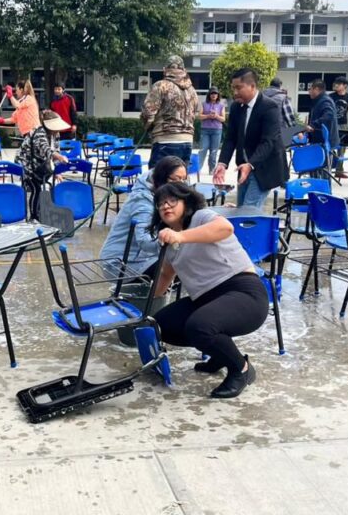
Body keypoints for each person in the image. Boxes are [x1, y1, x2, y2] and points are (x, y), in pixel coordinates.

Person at [150, 182, 269, 398]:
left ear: (186, 202)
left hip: (243, 292)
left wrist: (181, 236)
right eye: (160, 204)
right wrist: (145, 307)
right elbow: (167, 274)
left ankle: (241, 369)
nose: (166, 206)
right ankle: (222, 355)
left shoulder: (201, 217)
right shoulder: (168, 240)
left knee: (200, 326)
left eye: (172, 200)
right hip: (207, 299)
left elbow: (225, 228)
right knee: (160, 325)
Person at [99, 156, 188, 278]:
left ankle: (159, 293)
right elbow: (145, 242)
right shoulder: (143, 201)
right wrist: (173, 238)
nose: (182, 185)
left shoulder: (164, 194)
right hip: (120, 264)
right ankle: (157, 295)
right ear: (162, 179)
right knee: (181, 265)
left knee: (187, 258)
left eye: (184, 180)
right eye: (177, 180)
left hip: (144, 258)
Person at [214, 68, 287, 209]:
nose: (235, 92)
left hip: (264, 166)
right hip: (244, 167)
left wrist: (250, 164)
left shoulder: (269, 107)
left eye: (238, 88)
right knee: (242, 208)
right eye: (233, 88)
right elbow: (230, 138)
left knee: (248, 211)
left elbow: (268, 142)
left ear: (252, 86)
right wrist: (222, 163)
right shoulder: (236, 107)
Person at [141, 55, 199, 167]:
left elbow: (148, 113)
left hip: (165, 139)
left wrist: (148, 126)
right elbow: (196, 112)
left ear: (165, 70)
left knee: (159, 180)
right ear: (184, 70)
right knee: (179, 179)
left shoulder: (160, 86)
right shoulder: (192, 90)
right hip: (187, 141)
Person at [16, 110, 69, 220]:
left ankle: (41, 213)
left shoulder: (56, 134)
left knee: (42, 188)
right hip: (27, 164)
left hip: (40, 163)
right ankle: (34, 217)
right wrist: (59, 157)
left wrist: (57, 171)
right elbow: (46, 150)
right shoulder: (39, 133)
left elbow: (56, 150)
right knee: (36, 189)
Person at [302, 80, 339, 159]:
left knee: (322, 167)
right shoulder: (318, 100)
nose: (309, 92)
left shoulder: (325, 101)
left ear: (317, 89)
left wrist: (313, 125)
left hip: (324, 141)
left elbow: (329, 115)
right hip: (318, 140)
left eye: (310, 89)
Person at [329, 76, 348, 179]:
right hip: (333, 125)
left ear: (345, 86)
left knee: (342, 149)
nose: (336, 85)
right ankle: (329, 168)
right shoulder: (331, 96)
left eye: (339, 84)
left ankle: (339, 170)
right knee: (330, 146)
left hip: (343, 125)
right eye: (336, 84)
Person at [197, 87, 225, 174]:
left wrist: (216, 116)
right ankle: (198, 168)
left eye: (215, 93)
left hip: (216, 130)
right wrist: (208, 116)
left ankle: (212, 170)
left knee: (214, 151)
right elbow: (199, 117)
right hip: (205, 130)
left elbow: (223, 119)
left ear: (218, 95)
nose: (214, 95)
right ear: (209, 94)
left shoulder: (221, 105)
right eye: (212, 93)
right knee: (203, 149)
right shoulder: (204, 104)